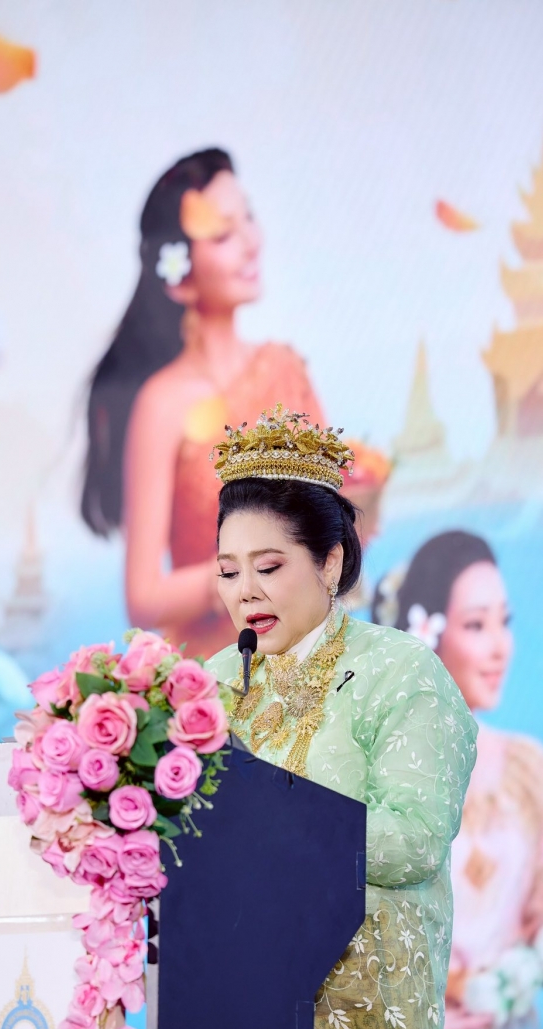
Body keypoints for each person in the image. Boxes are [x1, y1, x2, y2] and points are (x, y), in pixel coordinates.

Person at [206, 408, 477, 1029]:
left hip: (357, 1023)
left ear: (330, 562)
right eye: (227, 572)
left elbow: (415, 837)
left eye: (268, 566)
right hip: (229, 1020)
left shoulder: (402, 673)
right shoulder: (209, 686)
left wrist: (270, 829)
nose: (245, 592)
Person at [80, 148, 325, 658]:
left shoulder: (286, 371)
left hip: (310, 656)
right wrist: (248, 572)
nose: (251, 242)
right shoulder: (163, 403)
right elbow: (144, 596)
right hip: (219, 674)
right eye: (222, 235)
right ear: (180, 274)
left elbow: (332, 517)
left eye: (248, 218)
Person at [371, 532, 543, 1029]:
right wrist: (452, 986)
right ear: (428, 636)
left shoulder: (525, 770)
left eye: (505, 621)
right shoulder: (375, 772)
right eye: (477, 625)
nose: (500, 646)